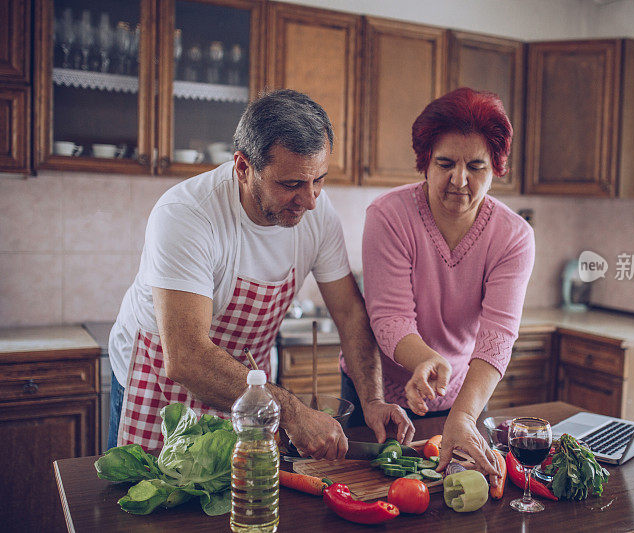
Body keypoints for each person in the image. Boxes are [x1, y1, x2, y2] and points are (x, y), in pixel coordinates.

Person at [108, 89, 413, 458]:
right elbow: (186, 357)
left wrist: (373, 401)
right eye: (291, 185)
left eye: (319, 180)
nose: (310, 200)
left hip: (249, 388)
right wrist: (293, 413)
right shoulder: (186, 214)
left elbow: (349, 312)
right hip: (161, 386)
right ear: (242, 167)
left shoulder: (316, 211)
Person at [344, 87, 535, 480]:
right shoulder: (389, 216)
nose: (459, 180)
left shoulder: (514, 237)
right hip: (376, 393)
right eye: (445, 162)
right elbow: (390, 317)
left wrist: (464, 414)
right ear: (425, 162)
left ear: (496, 168)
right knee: (366, 488)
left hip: (460, 398)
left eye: (477, 166)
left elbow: (497, 338)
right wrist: (425, 360)